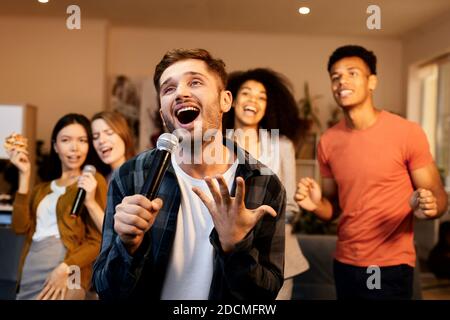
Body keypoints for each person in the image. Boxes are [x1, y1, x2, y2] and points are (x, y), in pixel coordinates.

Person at [93, 48, 286, 300]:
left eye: (195, 82)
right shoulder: (131, 177)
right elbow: (108, 291)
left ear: (225, 100)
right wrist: (128, 247)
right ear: (163, 114)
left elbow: (264, 296)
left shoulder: (264, 184)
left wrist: (236, 247)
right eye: (168, 89)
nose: (181, 93)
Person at [295, 45, 448, 299]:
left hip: (390, 265)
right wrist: (315, 204)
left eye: (352, 73)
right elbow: (332, 209)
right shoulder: (328, 141)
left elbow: (437, 194)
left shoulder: (406, 133)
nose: (341, 80)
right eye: (335, 76)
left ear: (372, 82)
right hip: (345, 261)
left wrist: (432, 206)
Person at [223, 68, 309, 300]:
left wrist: (263, 227)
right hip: (229, 254)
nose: (254, 101)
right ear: (230, 101)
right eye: (246, 94)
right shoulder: (217, 145)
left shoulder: (283, 146)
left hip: (277, 254)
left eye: (262, 97)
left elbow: (290, 204)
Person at [9, 113, 107, 300]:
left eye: (82, 140)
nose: (74, 147)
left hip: (69, 267)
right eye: (66, 140)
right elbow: (19, 227)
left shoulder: (93, 181)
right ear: (55, 146)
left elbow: (97, 240)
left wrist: (65, 267)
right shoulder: (41, 189)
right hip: (32, 265)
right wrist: (24, 175)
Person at [87, 111, 136, 232]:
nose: (101, 141)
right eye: (95, 137)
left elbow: (118, 235)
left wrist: (90, 203)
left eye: (109, 133)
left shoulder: (137, 176)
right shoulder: (100, 179)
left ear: (123, 135)